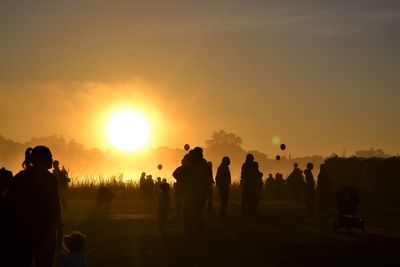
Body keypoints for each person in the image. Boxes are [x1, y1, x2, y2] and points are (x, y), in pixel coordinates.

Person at [3, 146, 63, 266]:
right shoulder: (49, 178)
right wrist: (59, 231)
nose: (52, 159)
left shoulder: (20, 177)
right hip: (44, 233)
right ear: (42, 159)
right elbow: (55, 207)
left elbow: (8, 204)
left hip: (22, 232)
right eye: (50, 157)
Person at [181, 147, 211, 234]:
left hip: (191, 192)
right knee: (198, 212)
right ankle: (197, 229)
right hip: (201, 193)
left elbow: (182, 177)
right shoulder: (204, 164)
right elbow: (208, 179)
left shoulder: (190, 165)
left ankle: (189, 229)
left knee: (188, 212)